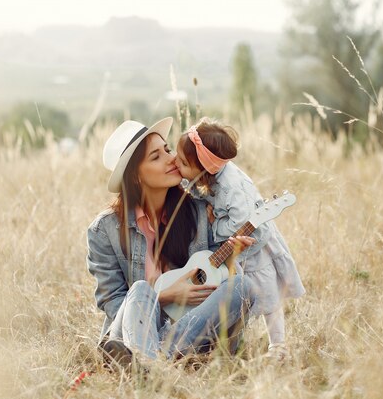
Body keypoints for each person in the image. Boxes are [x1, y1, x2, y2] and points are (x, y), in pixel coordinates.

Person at [85, 117, 257, 367]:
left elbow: (211, 270)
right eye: (156, 157)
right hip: (134, 327)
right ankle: (152, 360)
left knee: (242, 285)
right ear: (135, 177)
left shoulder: (198, 211)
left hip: (190, 326)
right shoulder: (104, 230)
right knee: (141, 289)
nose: (171, 158)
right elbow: (113, 303)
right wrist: (164, 296)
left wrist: (230, 254)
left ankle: (147, 363)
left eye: (167, 149)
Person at [174, 117, 305, 360]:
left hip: (256, 246)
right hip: (239, 247)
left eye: (182, 163)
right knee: (240, 294)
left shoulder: (232, 187)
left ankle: (279, 346)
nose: (175, 163)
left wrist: (215, 223)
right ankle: (231, 343)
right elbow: (198, 191)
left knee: (267, 294)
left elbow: (239, 222)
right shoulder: (210, 175)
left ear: (203, 168)